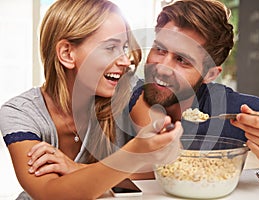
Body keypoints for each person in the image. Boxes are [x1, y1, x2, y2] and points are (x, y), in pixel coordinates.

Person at [0, 0, 182, 199]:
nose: (125, 60)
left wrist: (77, 168)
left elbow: (173, 165)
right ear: (67, 54)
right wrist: (136, 153)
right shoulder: (20, 113)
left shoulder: (128, 90)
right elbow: (50, 193)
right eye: (110, 48)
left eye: (124, 47)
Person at [128, 0, 259, 168]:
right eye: (160, 49)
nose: (163, 68)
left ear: (210, 74)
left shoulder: (232, 110)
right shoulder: (121, 96)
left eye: (182, 60)